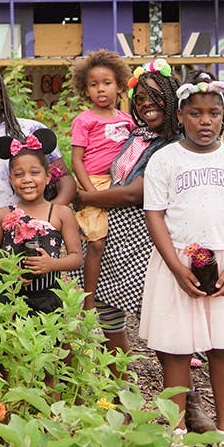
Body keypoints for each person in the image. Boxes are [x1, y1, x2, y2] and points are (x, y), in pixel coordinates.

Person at [139, 71, 224, 447]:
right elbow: (155, 215)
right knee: (176, 352)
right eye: (196, 113)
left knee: (222, 350)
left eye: (213, 112)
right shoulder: (165, 160)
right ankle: (177, 434)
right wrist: (177, 267)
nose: (205, 121)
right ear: (180, 115)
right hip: (176, 263)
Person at [72, 58, 181, 352]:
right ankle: (122, 389)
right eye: (141, 97)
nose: (147, 104)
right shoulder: (137, 134)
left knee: (156, 317)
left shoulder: (173, 143)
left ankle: (187, 394)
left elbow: (135, 193)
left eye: (156, 96)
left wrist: (84, 197)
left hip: (144, 243)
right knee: (109, 316)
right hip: (115, 239)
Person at [0, 65, 76, 228]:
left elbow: (65, 179)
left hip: (33, 234)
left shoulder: (30, 130)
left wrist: (47, 217)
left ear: (1, 94)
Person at [0, 129, 82, 315]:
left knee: (50, 342)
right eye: (19, 174)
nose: (27, 179)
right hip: (10, 297)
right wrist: (10, 268)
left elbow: (76, 258)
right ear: (11, 179)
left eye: (35, 172)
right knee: (11, 342)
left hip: (49, 298)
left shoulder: (61, 213)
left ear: (47, 177)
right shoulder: (2, 215)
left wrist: (51, 264)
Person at [68, 50, 134, 306]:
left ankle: (118, 291)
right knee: (96, 242)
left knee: (119, 238)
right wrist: (90, 191)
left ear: (119, 85)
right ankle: (89, 298)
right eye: (94, 85)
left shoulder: (127, 120)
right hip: (93, 182)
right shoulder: (84, 121)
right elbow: (76, 160)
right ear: (85, 90)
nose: (101, 90)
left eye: (107, 83)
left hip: (120, 183)